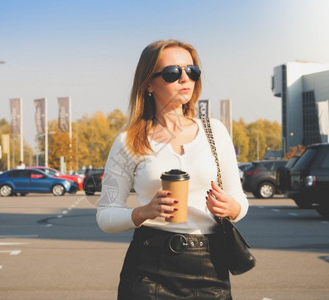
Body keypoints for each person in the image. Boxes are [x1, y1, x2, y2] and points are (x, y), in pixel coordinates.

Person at [96, 39, 249, 299]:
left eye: (192, 71)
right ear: (148, 83)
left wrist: (232, 208)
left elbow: (240, 201)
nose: (185, 78)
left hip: (211, 268)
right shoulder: (128, 141)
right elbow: (105, 216)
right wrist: (145, 211)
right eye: (172, 73)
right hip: (148, 269)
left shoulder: (215, 131)